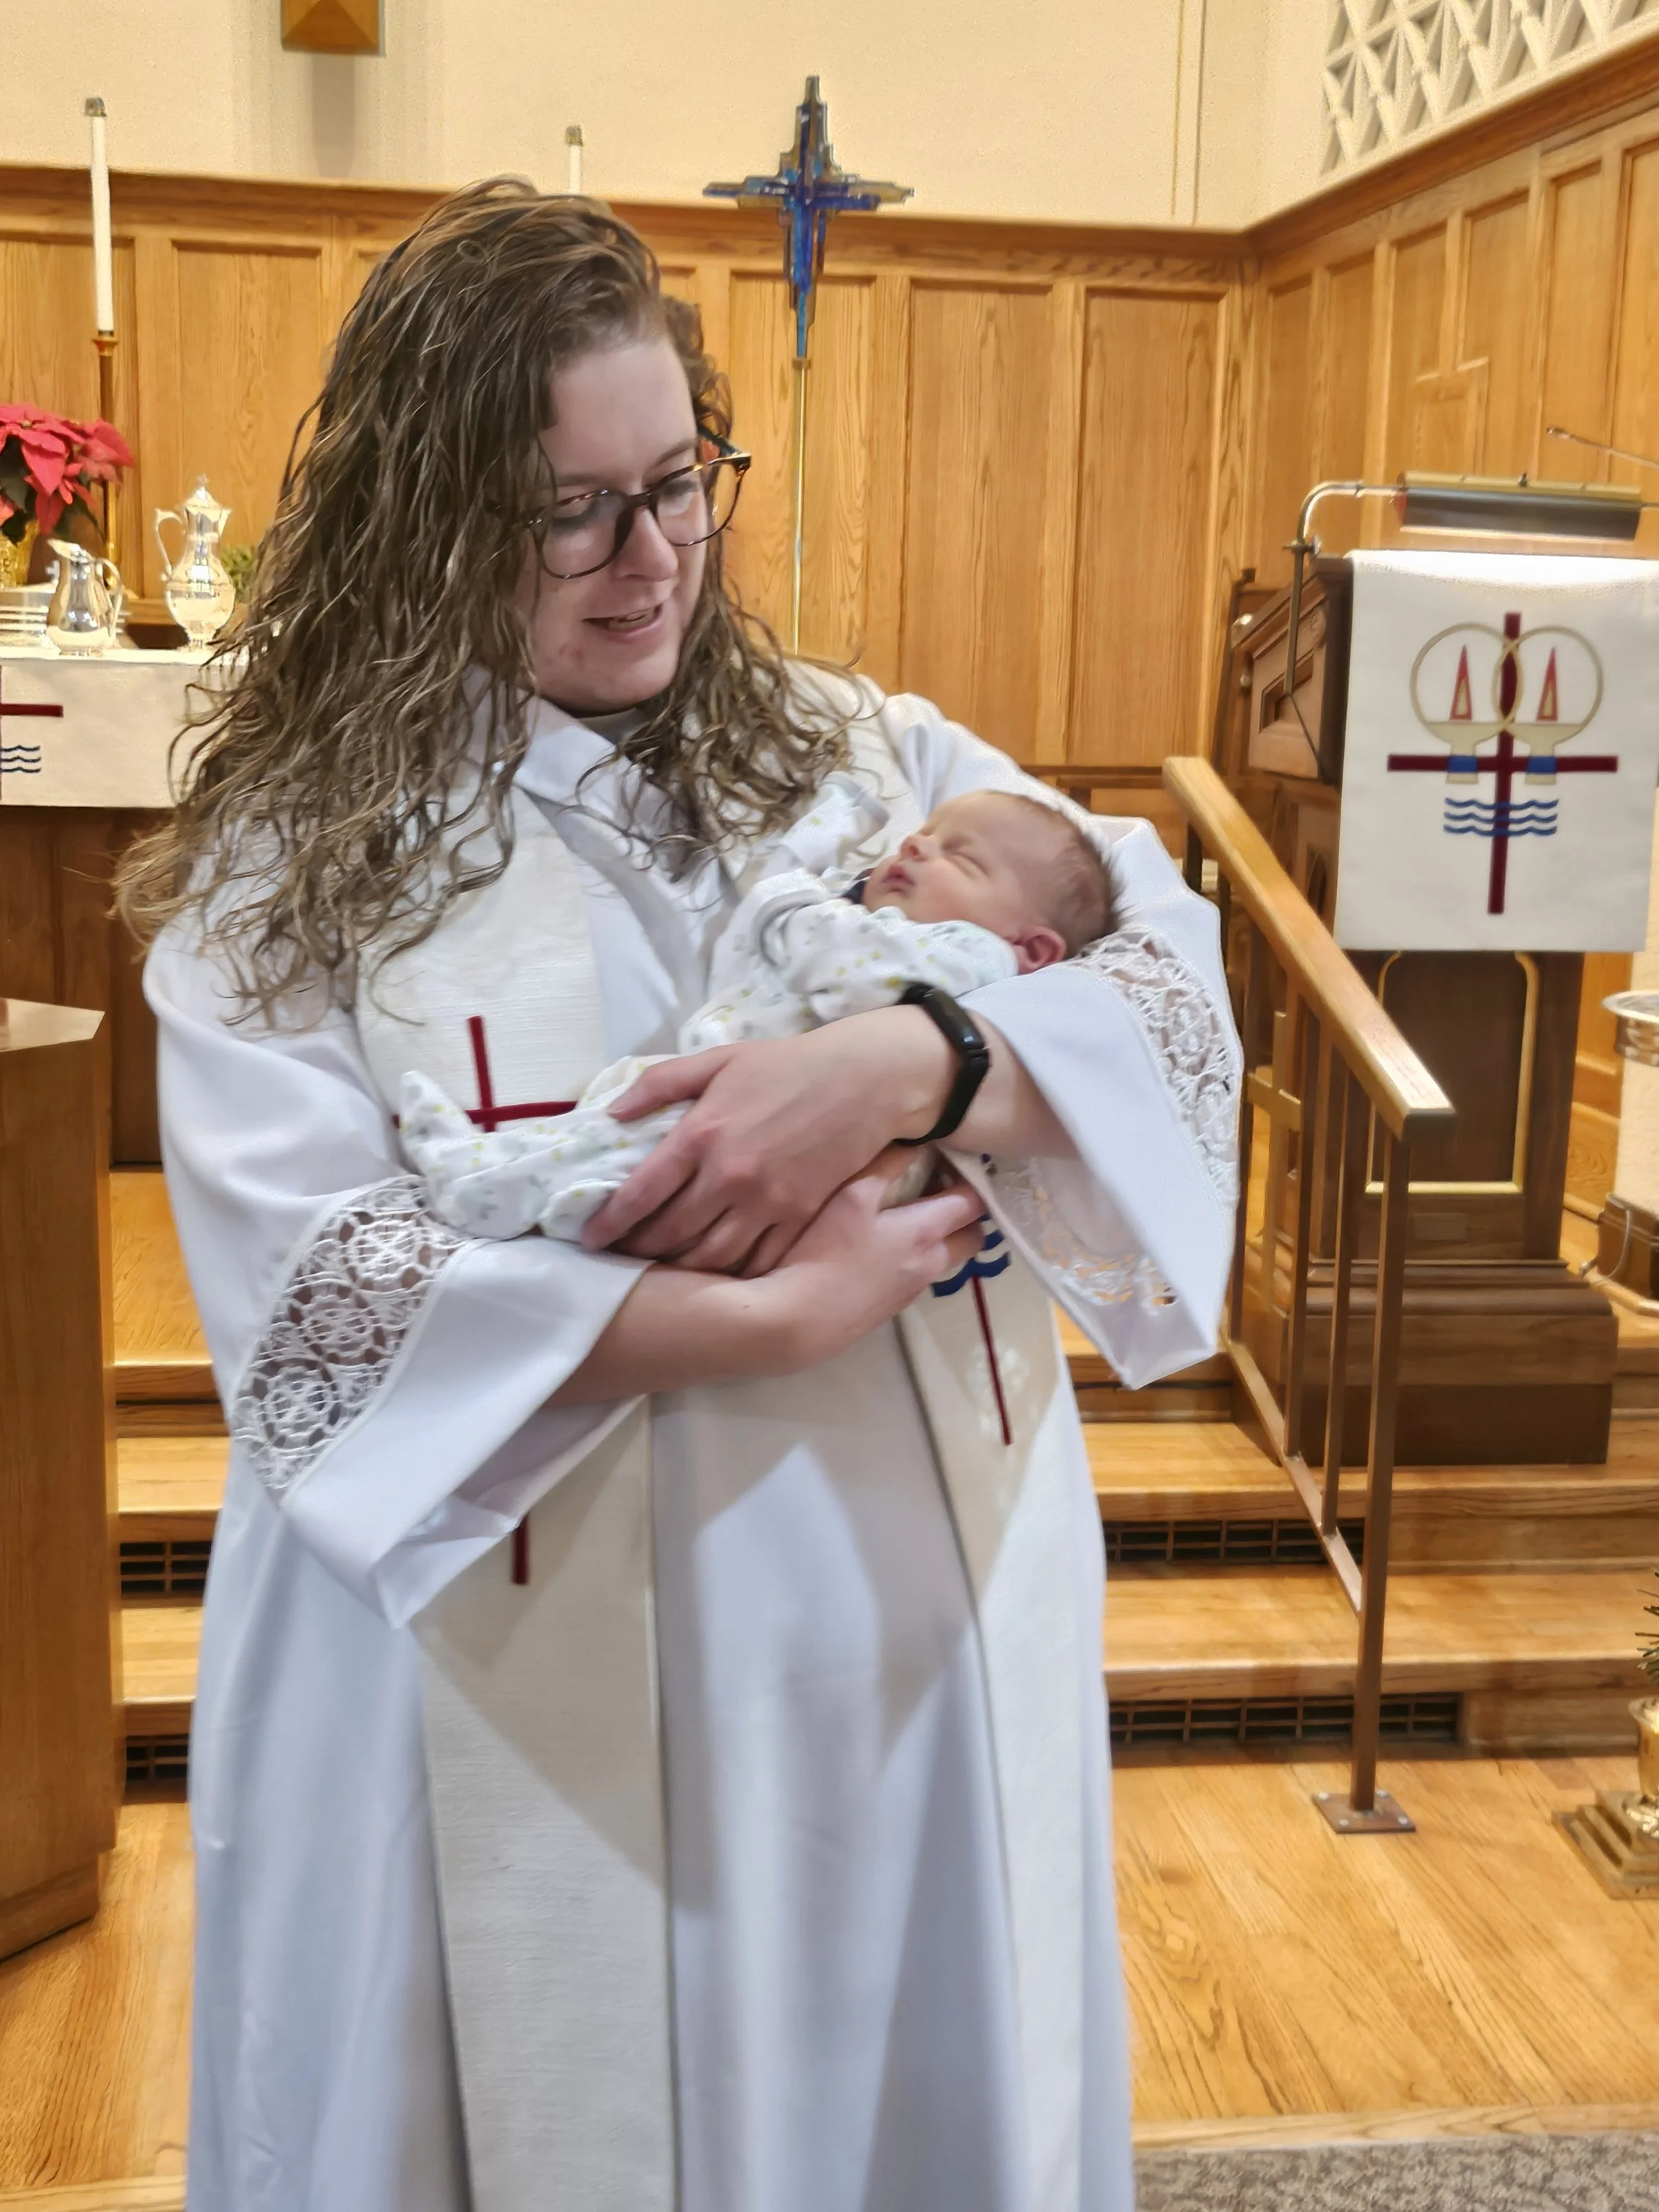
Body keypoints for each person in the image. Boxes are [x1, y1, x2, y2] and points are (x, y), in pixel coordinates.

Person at [119, 179, 1241, 2212]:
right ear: (422, 515)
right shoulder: (291, 871)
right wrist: (759, 1320)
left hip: (893, 1703)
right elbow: (315, 1295)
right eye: (565, 510)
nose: (648, 560)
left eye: (674, 480)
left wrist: (915, 1062)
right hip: (483, 1685)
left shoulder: (866, 757)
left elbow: (1155, 957)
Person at [399, 780, 1114, 1242]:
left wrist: (790, 900)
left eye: (962, 857)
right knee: (607, 1127)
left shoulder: (971, 957)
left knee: (629, 1155)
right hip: (735, 1093)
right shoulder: (902, 929)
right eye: (920, 834)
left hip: (794, 1136)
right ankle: (505, 1170)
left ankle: (481, 1188)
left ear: (1033, 949)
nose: (918, 845)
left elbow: (839, 963)